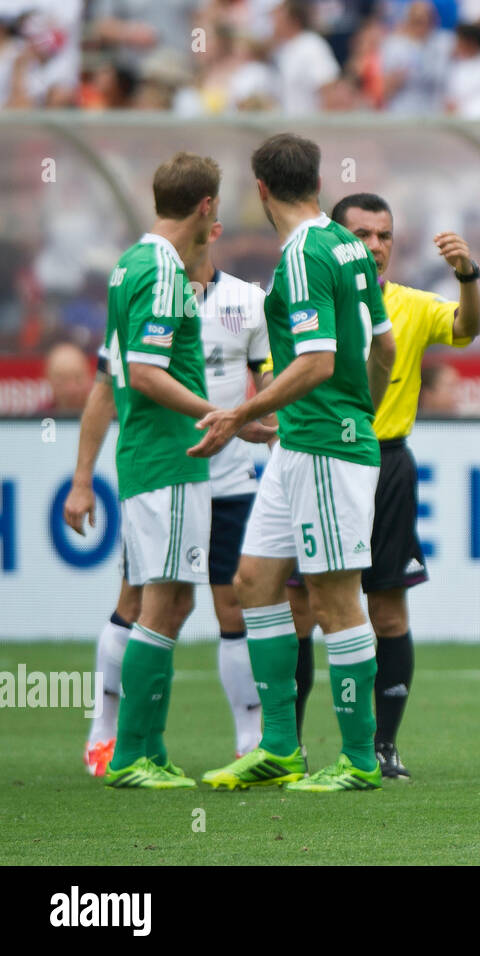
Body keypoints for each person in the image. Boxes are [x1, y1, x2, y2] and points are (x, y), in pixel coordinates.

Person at [191, 133, 397, 793]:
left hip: (327, 451)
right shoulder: (346, 245)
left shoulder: (309, 251)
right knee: (255, 581)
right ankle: (280, 747)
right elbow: (382, 346)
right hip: (302, 444)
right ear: (314, 179)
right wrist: (347, 406)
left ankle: (360, 760)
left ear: (260, 191)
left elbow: (315, 362)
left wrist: (243, 413)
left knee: (336, 599)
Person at [284, 191, 480, 780]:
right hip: (322, 457)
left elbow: (468, 327)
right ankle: (287, 746)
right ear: (337, 239)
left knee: (387, 610)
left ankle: (382, 747)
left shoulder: (413, 306)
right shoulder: (313, 299)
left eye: (385, 236)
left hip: (387, 463)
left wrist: (467, 275)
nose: (375, 247)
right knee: (302, 608)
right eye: (362, 235)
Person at [67, 220, 273, 775]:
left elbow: (268, 382)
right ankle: (106, 735)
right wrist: (82, 478)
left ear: (214, 227)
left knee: (232, 603)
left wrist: (269, 425)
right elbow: (105, 389)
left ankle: (248, 741)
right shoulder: (151, 291)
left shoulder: (247, 302)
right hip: (170, 472)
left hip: (228, 478)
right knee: (140, 599)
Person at [43, 342, 93, 414]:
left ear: (89, 377)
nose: (71, 389)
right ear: (50, 381)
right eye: (62, 380)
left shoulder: (107, 417)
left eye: (78, 379)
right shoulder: (38, 420)